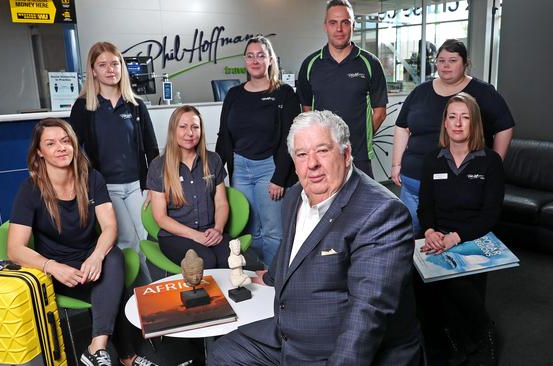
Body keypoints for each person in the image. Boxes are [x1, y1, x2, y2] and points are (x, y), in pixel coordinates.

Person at [208, 111, 423, 365]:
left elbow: (366, 317)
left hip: (337, 347)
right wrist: (269, 277)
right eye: (301, 155)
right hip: (291, 333)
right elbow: (294, 251)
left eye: (322, 150)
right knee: (223, 352)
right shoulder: (295, 197)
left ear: (345, 154)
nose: (311, 164)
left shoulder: (381, 213)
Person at [7, 119, 157, 366]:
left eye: (66, 141)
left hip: (89, 261)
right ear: (39, 153)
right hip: (57, 271)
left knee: (114, 257)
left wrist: (96, 256)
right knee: (112, 286)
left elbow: (110, 227)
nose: (61, 148)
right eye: (51, 143)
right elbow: (14, 249)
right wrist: (52, 266)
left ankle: (96, 348)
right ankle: (127, 358)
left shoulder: (91, 178)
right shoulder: (31, 189)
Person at [391, 38, 514, 237]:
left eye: (453, 60)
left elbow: (505, 127)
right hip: (413, 179)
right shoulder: (421, 91)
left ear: (466, 63)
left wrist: (494, 165)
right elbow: (402, 126)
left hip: (459, 183)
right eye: (441, 60)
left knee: (451, 241)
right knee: (410, 237)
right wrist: (396, 164)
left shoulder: (483, 92)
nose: (446, 65)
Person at [416, 93, 504, 365]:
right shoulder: (433, 160)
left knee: (452, 281)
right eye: (452, 117)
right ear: (444, 122)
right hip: (438, 237)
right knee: (418, 283)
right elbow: (425, 207)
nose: (457, 123)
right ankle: (445, 345)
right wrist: (430, 231)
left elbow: (490, 215)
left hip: (472, 236)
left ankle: (483, 334)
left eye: (464, 117)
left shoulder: (489, 161)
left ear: (474, 123)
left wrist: (456, 237)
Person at [70, 41, 159, 283]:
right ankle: (142, 292)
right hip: (106, 188)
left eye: (115, 63)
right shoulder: (82, 107)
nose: (111, 69)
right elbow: (75, 152)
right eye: (103, 65)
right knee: (126, 241)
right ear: (93, 70)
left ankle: (137, 294)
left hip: (137, 187)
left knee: (141, 241)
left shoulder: (136, 105)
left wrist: (153, 185)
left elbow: (152, 149)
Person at [216, 36, 299, 267]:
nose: (255, 60)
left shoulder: (284, 94)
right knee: (252, 231)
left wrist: (279, 177)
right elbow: (224, 136)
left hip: (269, 169)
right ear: (245, 61)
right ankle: (264, 269)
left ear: (270, 60)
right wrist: (212, 170)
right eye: (250, 56)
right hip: (240, 168)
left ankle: (275, 279)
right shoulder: (233, 94)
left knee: (273, 231)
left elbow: (289, 139)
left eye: (261, 55)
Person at [297, 0, 388, 178]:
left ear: (353, 25)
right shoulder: (310, 65)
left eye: (345, 22)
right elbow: (307, 113)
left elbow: (380, 112)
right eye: (333, 22)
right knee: (327, 204)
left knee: (363, 206)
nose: (339, 29)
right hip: (322, 157)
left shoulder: (370, 64)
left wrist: (360, 138)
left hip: (359, 157)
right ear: (325, 26)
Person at [147, 105, 231, 269]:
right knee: (205, 262)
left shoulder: (213, 160)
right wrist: (195, 236)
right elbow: (160, 217)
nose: (190, 133)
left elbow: (221, 203)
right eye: (183, 127)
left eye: (195, 127)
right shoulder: (158, 166)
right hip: (174, 236)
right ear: (173, 130)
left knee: (229, 258)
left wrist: (218, 229)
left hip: (209, 230)